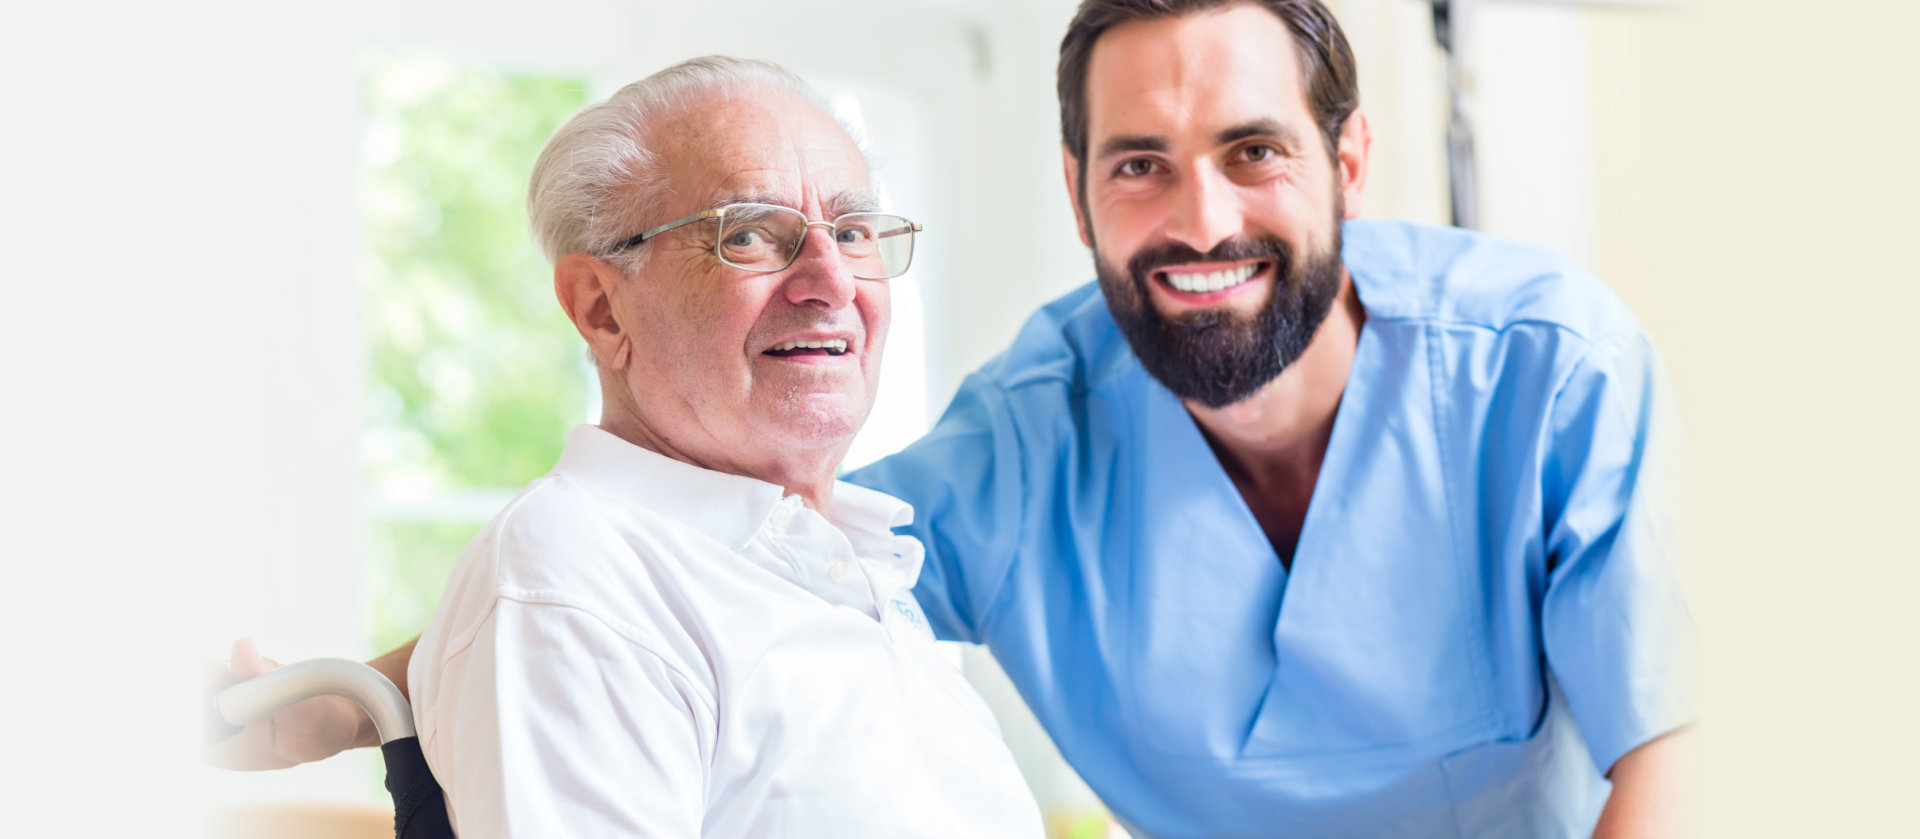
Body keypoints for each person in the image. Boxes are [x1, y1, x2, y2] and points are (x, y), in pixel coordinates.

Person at [218, 2, 1692, 837]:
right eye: (1138, 165)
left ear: (1347, 156)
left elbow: (1672, 753)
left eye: (1253, 149)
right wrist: (354, 690)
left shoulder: (1544, 370)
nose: (1199, 218)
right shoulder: (1028, 439)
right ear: (1078, 191)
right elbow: (638, 583)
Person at [292, 55, 1044, 837]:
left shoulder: (855, 567)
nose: (832, 278)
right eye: (748, 234)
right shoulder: (576, 578)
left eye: (852, 232)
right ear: (602, 310)